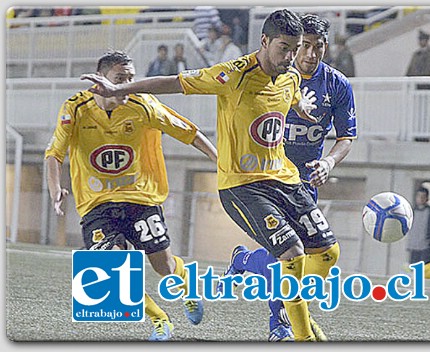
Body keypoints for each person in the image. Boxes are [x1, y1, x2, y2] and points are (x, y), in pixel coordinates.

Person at [81, 9, 337, 342]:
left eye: (296, 49)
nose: (291, 57)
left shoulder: (290, 77)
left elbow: (288, 94)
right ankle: (303, 336)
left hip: (284, 179)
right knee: (292, 255)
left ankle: (265, 279)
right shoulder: (233, 75)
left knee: (328, 253)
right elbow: (173, 82)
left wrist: (299, 106)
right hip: (244, 185)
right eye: (284, 48)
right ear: (264, 41)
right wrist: (120, 89)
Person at [48, 50, 217, 341]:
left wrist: (219, 161)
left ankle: (186, 284)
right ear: (101, 79)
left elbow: (188, 132)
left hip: (141, 197)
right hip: (97, 203)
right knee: (113, 269)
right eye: (120, 78)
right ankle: (160, 321)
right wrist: (55, 190)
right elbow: (54, 154)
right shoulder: (75, 107)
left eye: (131, 78)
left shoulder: (143, 103)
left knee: (163, 266)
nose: (127, 84)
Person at [216, 13, 357, 342]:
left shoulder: (337, 85)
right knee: (290, 256)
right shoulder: (276, 72)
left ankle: (244, 260)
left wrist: (330, 163)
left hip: (303, 184)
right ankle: (280, 325)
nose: (310, 54)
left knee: (304, 257)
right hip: (265, 181)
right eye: (304, 46)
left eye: (318, 47)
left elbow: (346, 136)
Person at [405, 186, 430, 265]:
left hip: (425, 247)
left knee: (424, 270)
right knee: (412, 269)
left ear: (427, 198)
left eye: (423, 197)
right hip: (413, 246)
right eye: (419, 196)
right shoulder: (412, 211)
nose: (421, 199)